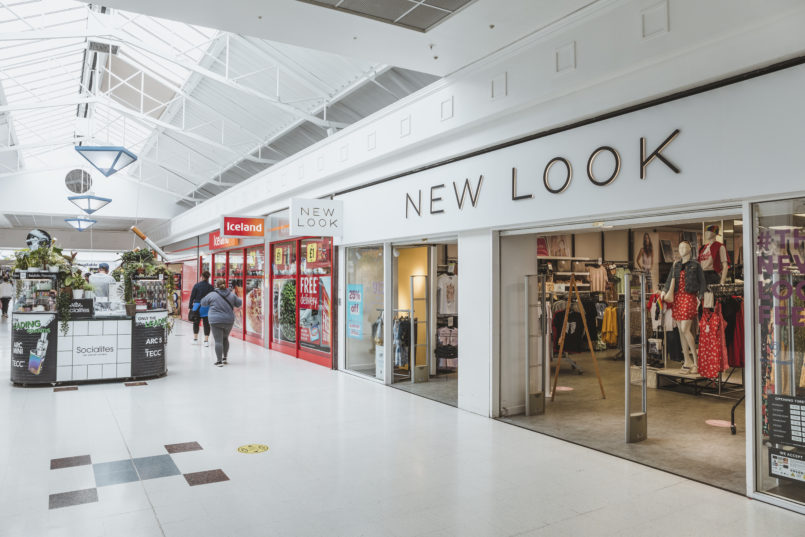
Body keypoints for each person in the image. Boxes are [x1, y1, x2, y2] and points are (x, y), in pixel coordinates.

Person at [201, 278, 242, 367]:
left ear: (216, 285)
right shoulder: (231, 295)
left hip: (215, 321)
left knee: (218, 341)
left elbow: (203, 303)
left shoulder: (212, 295)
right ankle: (225, 358)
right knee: (225, 338)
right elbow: (239, 303)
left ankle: (219, 361)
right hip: (228, 321)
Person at [189, 271, 214, 346]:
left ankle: (195, 340)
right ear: (208, 278)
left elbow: (192, 296)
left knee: (196, 323)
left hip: (197, 306)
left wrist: (190, 305)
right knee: (206, 324)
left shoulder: (197, 285)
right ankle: (206, 341)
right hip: (206, 306)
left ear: (202, 277)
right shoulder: (210, 287)